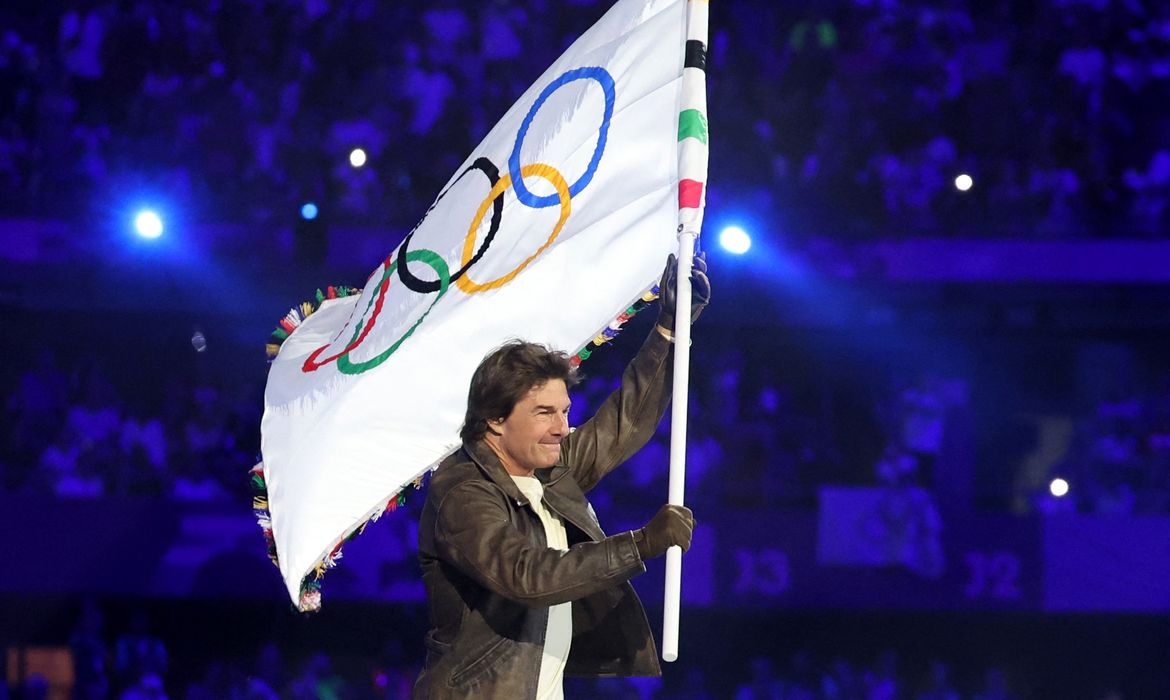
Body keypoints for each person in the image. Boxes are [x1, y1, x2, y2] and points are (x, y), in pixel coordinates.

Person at [414, 253, 711, 699]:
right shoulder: (462, 491)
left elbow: (624, 423)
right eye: (544, 413)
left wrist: (669, 329)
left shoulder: (548, 469)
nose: (561, 427)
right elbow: (527, 576)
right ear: (495, 419)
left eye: (565, 411)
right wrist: (642, 544)